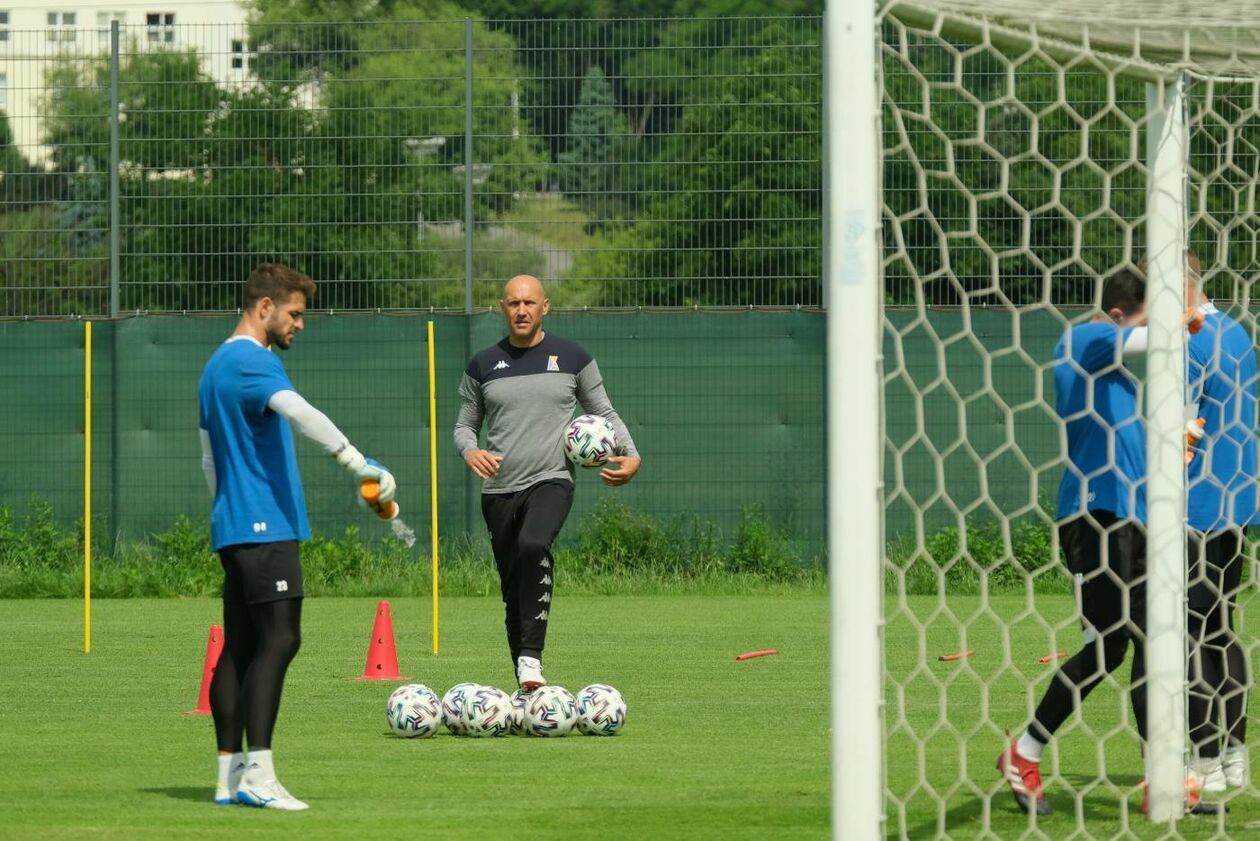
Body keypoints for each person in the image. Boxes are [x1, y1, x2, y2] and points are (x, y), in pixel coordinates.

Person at [198, 263, 396, 810]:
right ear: (265, 308)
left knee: (241, 647)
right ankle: (260, 777)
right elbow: (299, 411)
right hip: (265, 525)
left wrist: (225, 514)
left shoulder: (214, 366)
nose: (299, 325)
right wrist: (361, 463)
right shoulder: (251, 361)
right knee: (282, 640)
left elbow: (208, 458)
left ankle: (228, 778)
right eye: (295, 313)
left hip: (233, 527)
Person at [996, 268, 1153, 816]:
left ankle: (1162, 774)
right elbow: (1153, 339)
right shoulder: (1082, 340)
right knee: (1115, 644)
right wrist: (1189, 316)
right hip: (1093, 518)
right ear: (1117, 317)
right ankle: (1024, 750)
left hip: (1128, 521)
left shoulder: (1118, 381)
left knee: (1140, 641)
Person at [454, 274, 641, 691]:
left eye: (529, 303)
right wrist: (470, 451)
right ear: (502, 308)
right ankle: (524, 680)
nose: (521, 310)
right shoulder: (482, 364)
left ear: (545, 307)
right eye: (513, 303)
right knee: (512, 588)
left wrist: (632, 454)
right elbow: (465, 426)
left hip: (551, 480)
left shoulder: (572, 357)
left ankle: (531, 660)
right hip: (499, 490)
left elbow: (604, 412)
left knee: (533, 545)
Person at [1184, 249, 1256, 792]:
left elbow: (1179, 428)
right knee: (1220, 627)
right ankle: (1235, 754)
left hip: (1195, 506)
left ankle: (1205, 760)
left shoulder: (1188, 343)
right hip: (1239, 504)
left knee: (1187, 632)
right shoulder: (1239, 335)